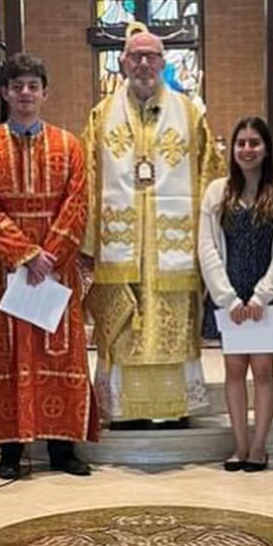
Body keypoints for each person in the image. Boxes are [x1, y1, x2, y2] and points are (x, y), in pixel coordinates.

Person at [81, 25, 224, 429]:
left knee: (172, 330)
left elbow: (210, 178)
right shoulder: (102, 115)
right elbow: (88, 180)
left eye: (151, 56)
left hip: (173, 249)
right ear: (123, 62)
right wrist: (88, 246)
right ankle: (126, 412)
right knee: (123, 331)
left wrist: (207, 242)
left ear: (164, 62)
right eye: (136, 56)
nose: (144, 63)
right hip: (118, 249)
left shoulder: (189, 112)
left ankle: (174, 407)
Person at [0, 53, 99, 477]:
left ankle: (62, 449)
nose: (25, 93)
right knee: (8, 356)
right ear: (5, 92)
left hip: (55, 270)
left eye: (33, 86)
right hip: (6, 271)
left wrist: (48, 255)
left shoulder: (69, 146)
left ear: (45, 92)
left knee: (58, 354)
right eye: (17, 85)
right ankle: (10, 449)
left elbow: (77, 203)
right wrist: (25, 255)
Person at [199, 116, 273, 472]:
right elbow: (207, 248)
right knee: (233, 370)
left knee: (262, 371)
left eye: (254, 142)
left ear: (266, 147)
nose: (246, 149)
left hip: (266, 298)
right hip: (230, 296)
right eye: (241, 143)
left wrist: (262, 296)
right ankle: (239, 446)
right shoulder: (217, 191)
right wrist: (227, 298)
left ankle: (259, 447)